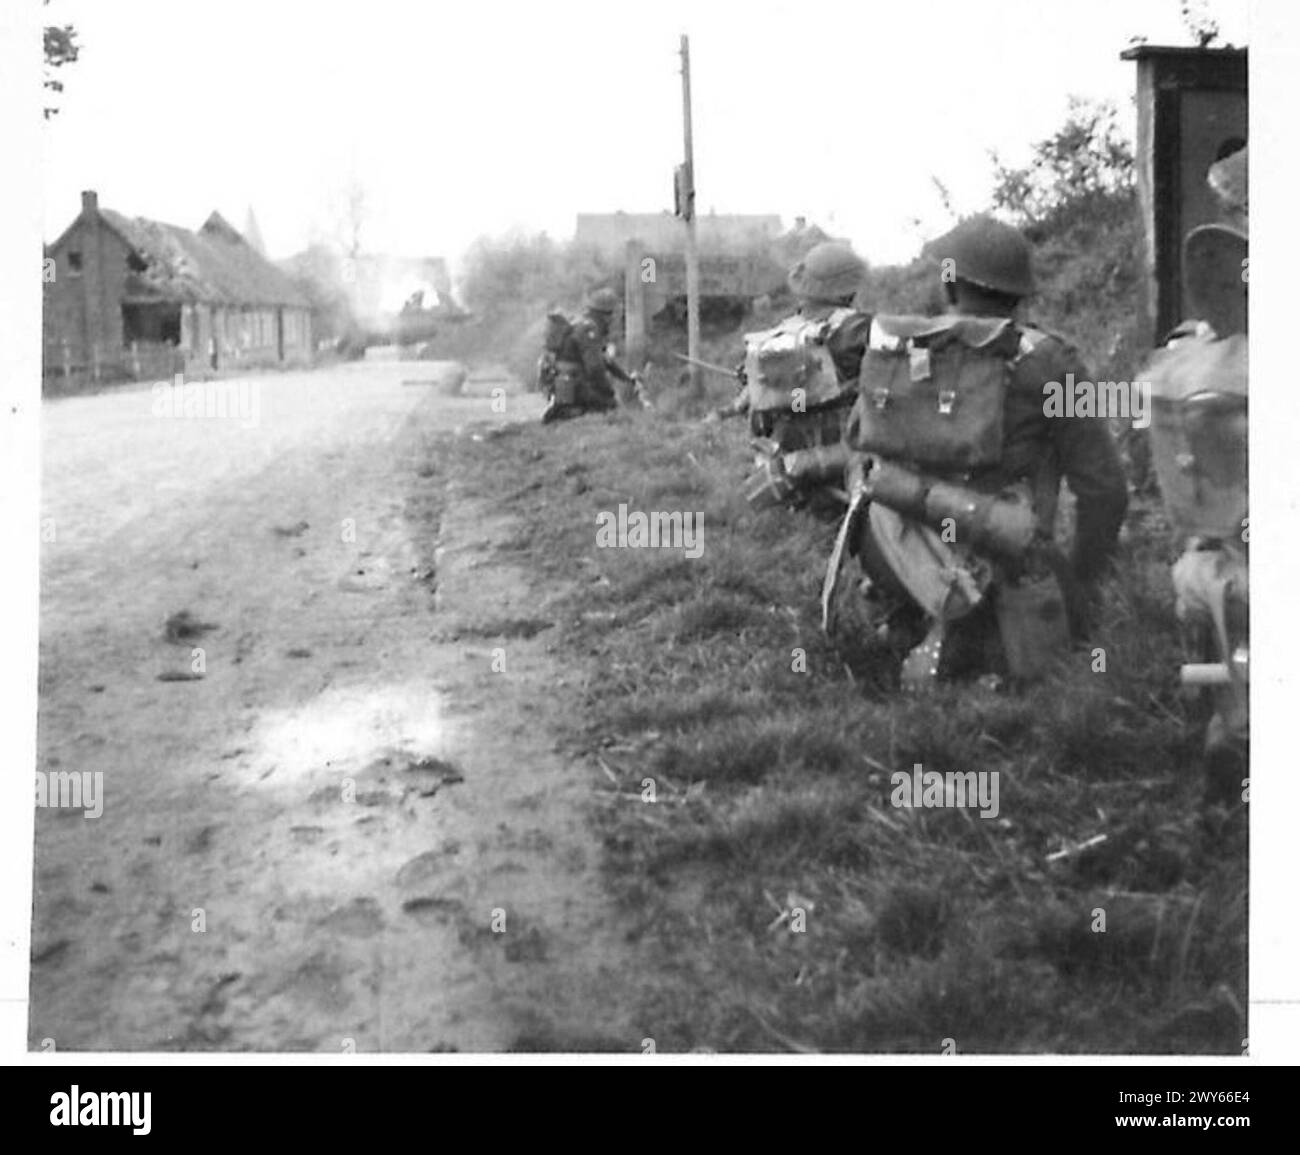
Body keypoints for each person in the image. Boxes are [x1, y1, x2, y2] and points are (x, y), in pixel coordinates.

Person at [827, 215, 1129, 687]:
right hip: (1005, 555)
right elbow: (1105, 489)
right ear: (1021, 293)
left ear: (950, 282)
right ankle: (976, 631)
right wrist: (1083, 588)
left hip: (896, 550)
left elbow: (856, 443)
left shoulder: (901, 346)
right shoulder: (1050, 360)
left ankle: (914, 611)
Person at [710, 241, 871, 451]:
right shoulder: (858, 328)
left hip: (784, 445)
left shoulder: (780, 334)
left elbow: (762, 392)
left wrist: (725, 412)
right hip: (845, 444)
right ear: (848, 290)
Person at [541, 288, 647, 423]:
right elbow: (595, 368)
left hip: (569, 384)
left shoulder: (583, 324)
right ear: (606, 315)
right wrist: (608, 393)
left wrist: (627, 379)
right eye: (614, 314)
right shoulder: (589, 330)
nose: (616, 319)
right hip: (577, 386)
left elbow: (606, 361)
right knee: (614, 412)